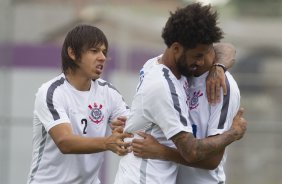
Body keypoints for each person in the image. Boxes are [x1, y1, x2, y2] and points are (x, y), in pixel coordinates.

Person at [113, 3, 247, 184]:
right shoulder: (164, 83)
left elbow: (212, 161)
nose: (203, 61)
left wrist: (219, 65)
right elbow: (191, 151)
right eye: (198, 56)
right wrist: (234, 133)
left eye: (207, 53)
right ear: (176, 48)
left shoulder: (220, 85)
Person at [27, 25, 132, 184]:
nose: (102, 57)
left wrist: (125, 128)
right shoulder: (51, 92)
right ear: (72, 53)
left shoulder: (108, 92)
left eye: (104, 52)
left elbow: (133, 128)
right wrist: (107, 142)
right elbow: (65, 142)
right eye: (94, 50)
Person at [131, 44, 240, 184]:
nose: (199, 61)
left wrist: (161, 151)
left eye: (202, 55)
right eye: (195, 56)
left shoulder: (221, 86)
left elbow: (212, 161)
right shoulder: (178, 73)